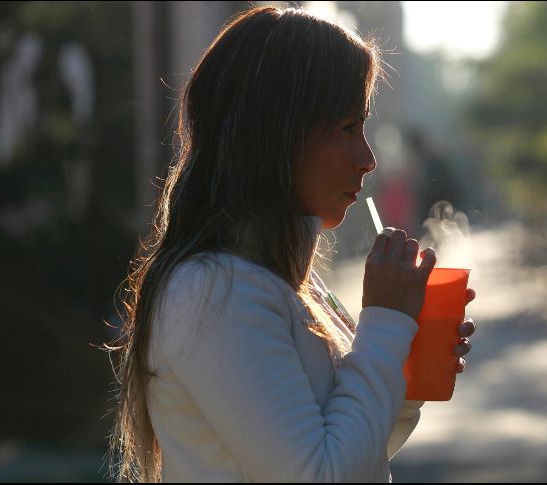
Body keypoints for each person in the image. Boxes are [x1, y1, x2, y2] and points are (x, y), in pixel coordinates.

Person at [108, 6, 476, 483]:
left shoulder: (279, 285)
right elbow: (321, 475)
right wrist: (384, 325)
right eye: (348, 128)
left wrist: (407, 363)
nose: (367, 159)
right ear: (277, 135)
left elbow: (357, 453)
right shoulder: (214, 294)